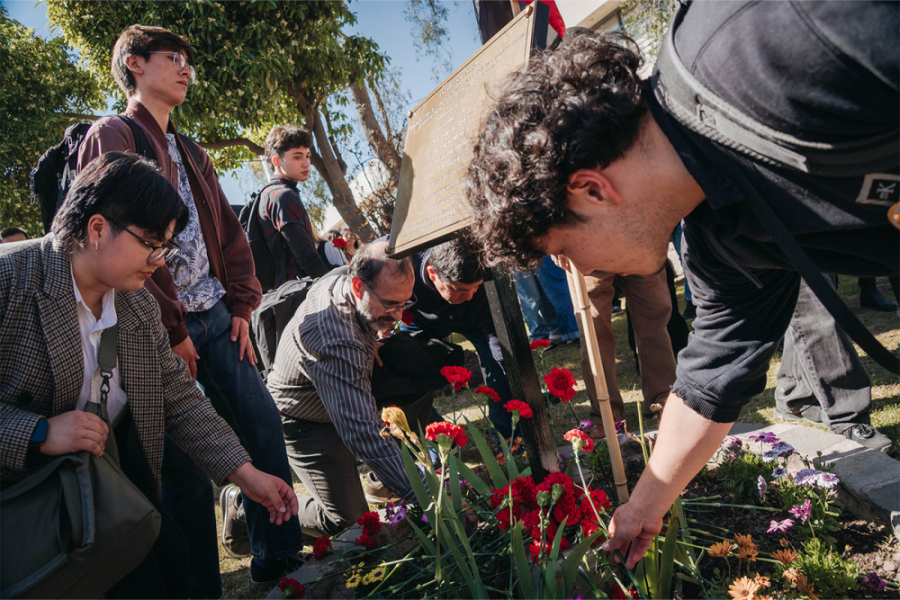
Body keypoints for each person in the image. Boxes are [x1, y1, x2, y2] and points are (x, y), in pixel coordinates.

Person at [465, 2, 898, 568]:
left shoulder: (760, 48)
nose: (576, 271)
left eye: (564, 252)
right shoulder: (714, 233)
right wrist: (645, 504)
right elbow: (715, 372)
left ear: (592, 189)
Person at [0, 153, 298, 598]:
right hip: (23, 510)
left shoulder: (137, 305)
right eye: (150, 243)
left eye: (167, 246)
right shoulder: (12, 279)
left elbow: (178, 398)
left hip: (111, 494)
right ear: (97, 229)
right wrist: (37, 431)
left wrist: (245, 474)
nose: (159, 261)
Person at [76, 25, 304, 591]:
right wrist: (170, 326)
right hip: (154, 329)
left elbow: (228, 236)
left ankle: (280, 556)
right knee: (181, 470)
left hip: (219, 317)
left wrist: (243, 307)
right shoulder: (113, 134)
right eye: (173, 57)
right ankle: (197, 582)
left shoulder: (192, 149)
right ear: (134, 63)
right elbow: (113, 242)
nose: (186, 68)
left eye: (188, 61)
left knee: (260, 426)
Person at [257, 241, 426, 535]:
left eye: (405, 303)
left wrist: (372, 334)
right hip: (303, 422)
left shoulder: (343, 277)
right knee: (351, 525)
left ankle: (382, 480)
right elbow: (365, 435)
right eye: (390, 304)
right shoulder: (337, 340)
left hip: (338, 396)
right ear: (358, 287)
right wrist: (429, 499)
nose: (399, 316)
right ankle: (251, 503)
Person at [401, 237, 516, 439]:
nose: (470, 295)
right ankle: (438, 439)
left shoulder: (482, 270)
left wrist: (506, 366)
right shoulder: (402, 265)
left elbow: (498, 342)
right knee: (402, 370)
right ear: (432, 273)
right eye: (460, 289)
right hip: (420, 322)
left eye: (475, 287)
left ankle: (508, 438)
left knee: (500, 368)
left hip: (477, 320)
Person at [578, 268, 677, 440]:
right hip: (584, 248)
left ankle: (662, 399)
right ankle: (605, 413)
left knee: (653, 316)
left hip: (638, 244)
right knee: (593, 327)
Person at [258, 125, 329, 290]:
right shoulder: (283, 196)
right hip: (298, 298)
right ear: (276, 161)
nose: (306, 163)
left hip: (282, 296)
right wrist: (333, 289)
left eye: (307, 156)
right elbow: (306, 257)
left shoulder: (269, 194)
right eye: (297, 157)